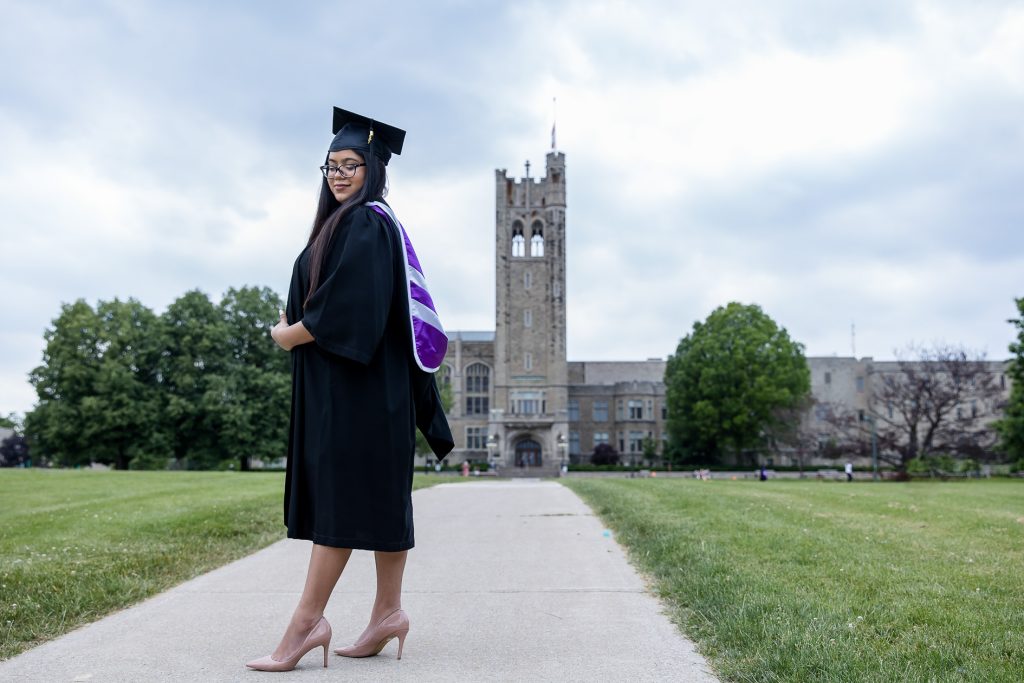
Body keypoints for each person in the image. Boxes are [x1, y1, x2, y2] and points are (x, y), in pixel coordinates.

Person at [245, 107, 453, 672]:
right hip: (373, 392)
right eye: (332, 165)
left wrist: (288, 334)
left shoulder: (366, 224)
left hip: (355, 393)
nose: (339, 175)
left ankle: (306, 626)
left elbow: (345, 310)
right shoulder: (368, 223)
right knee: (383, 499)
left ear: (373, 170)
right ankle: (388, 613)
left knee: (339, 505)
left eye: (352, 165)